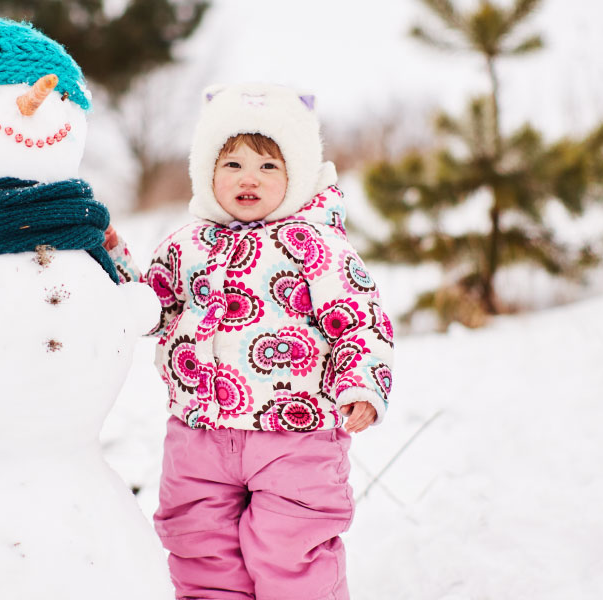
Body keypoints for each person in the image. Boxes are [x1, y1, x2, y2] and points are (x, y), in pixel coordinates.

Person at [134, 83, 395, 599]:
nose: (248, 177)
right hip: (199, 432)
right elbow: (150, 309)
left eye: (268, 166)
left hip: (295, 433)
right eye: (231, 164)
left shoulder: (314, 242)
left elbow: (359, 318)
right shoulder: (185, 244)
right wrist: (115, 271)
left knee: (289, 550)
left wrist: (361, 382)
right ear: (206, 171)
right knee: (198, 548)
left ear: (296, 174)